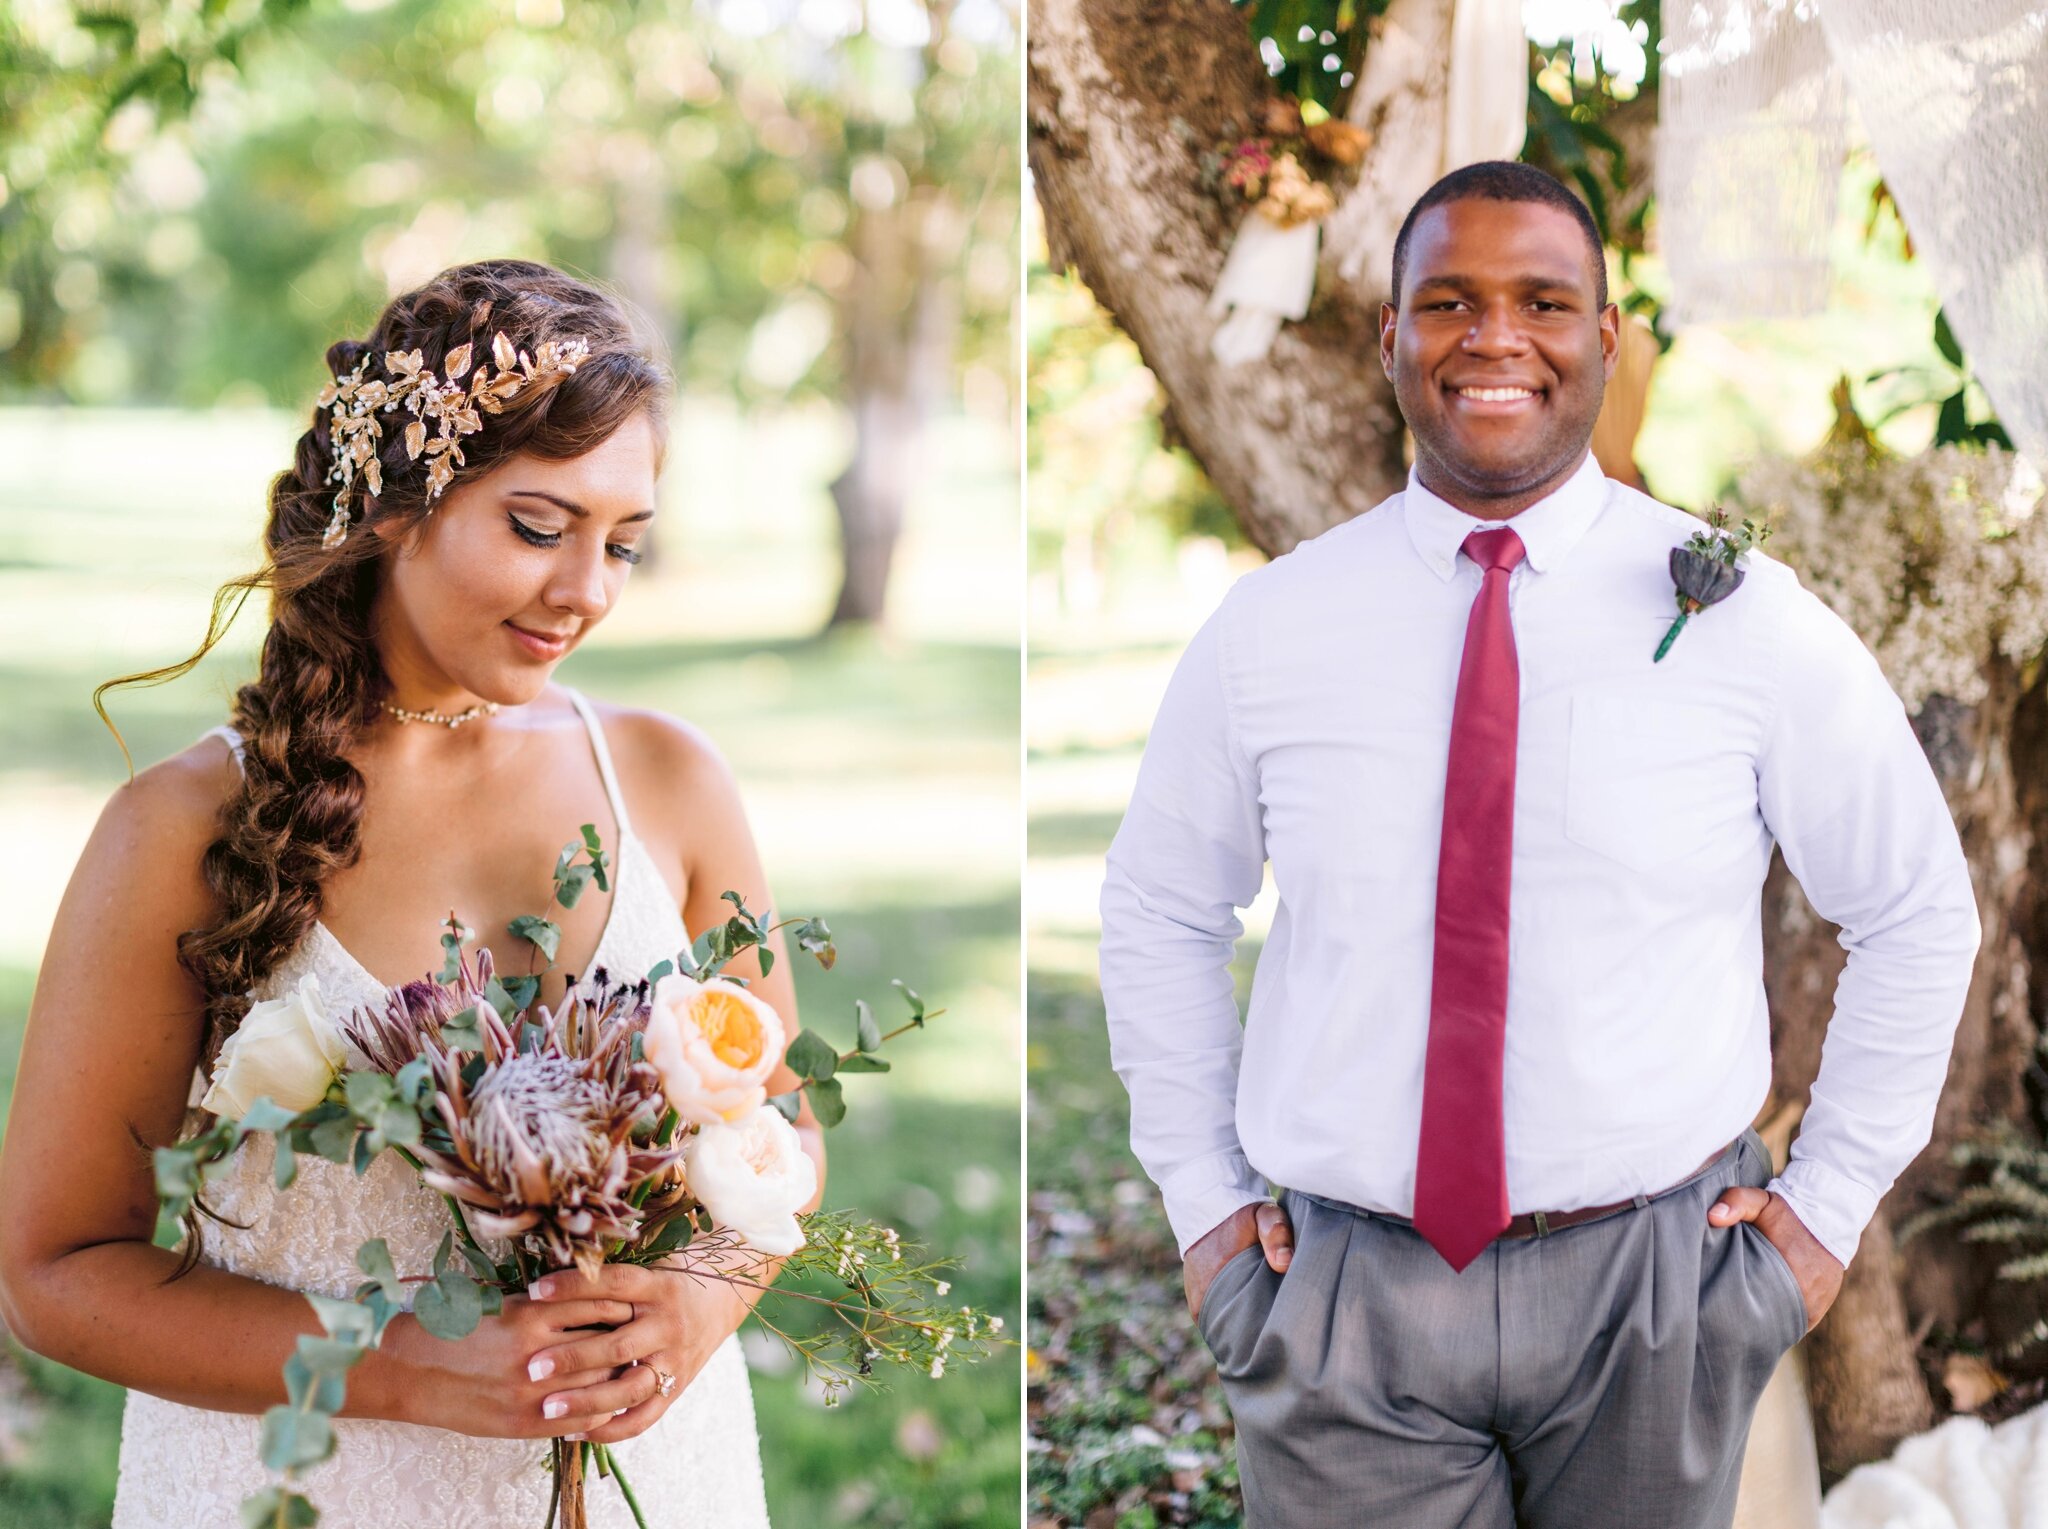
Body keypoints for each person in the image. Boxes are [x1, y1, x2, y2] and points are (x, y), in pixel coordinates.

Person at [1097, 162, 1981, 1528]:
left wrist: (1822, 1215)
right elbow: (1160, 909)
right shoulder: (1272, 630)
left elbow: (1917, 906)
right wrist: (1211, 1217)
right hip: (1344, 1304)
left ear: (1606, 342)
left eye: (1543, 301)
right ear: (1389, 337)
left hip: (1655, 1290)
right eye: (1447, 300)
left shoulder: (1750, 623)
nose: (1493, 337)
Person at [0, 259, 821, 1526]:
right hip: (315, 1484)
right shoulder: (179, 829)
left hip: (662, 1473)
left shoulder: (669, 782)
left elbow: (784, 1134)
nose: (587, 590)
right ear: (393, 507)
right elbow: (54, 1271)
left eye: (623, 543)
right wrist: (408, 1363)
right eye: (540, 528)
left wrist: (704, 1296)